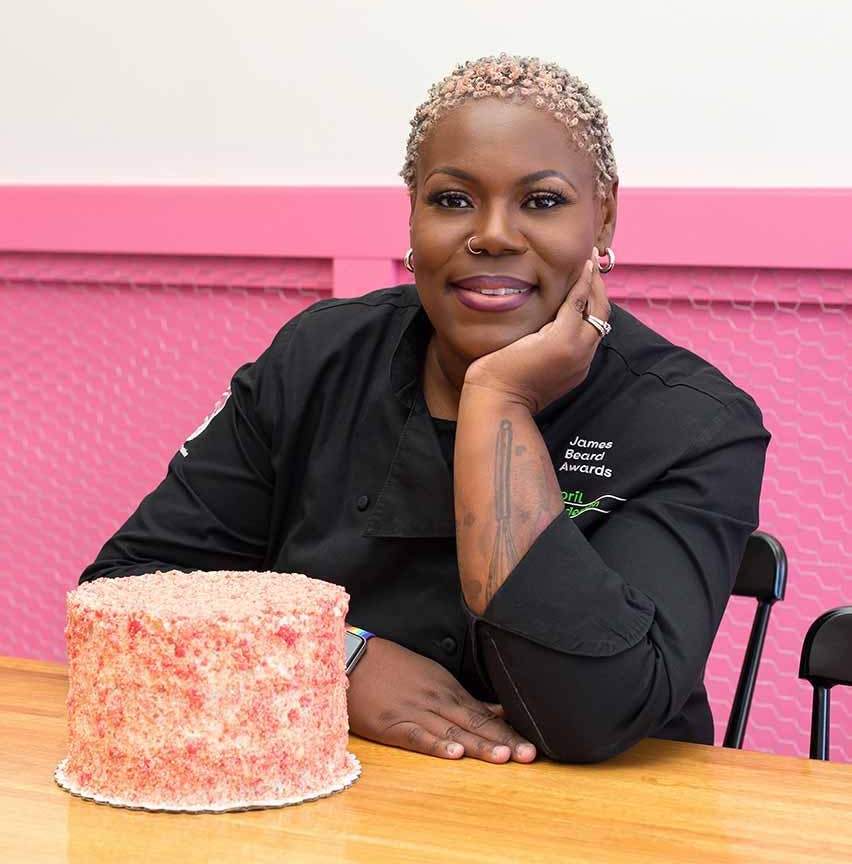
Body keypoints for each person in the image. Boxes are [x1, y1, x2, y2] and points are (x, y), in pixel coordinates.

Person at [80, 54, 770, 764]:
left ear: (605, 214)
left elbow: (596, 718)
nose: (494, 234)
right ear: (411, 211)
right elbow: (128, 592)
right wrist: (336, 660)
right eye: (452, 199)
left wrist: (499, 401)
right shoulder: (319, 358)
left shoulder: (693, 422)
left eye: (541, 201)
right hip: (341, 804)